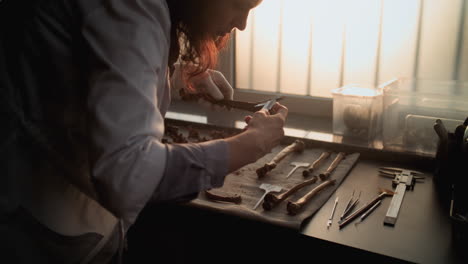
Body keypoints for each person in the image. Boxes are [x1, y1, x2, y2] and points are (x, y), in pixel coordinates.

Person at [0, 0, 288, 263]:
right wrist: (253, 143)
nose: (242, 24)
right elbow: (129, 173)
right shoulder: (132, 7)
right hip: (40, 223)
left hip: (64, 213)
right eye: (239, 4)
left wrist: (176, 76)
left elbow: (83, 70)